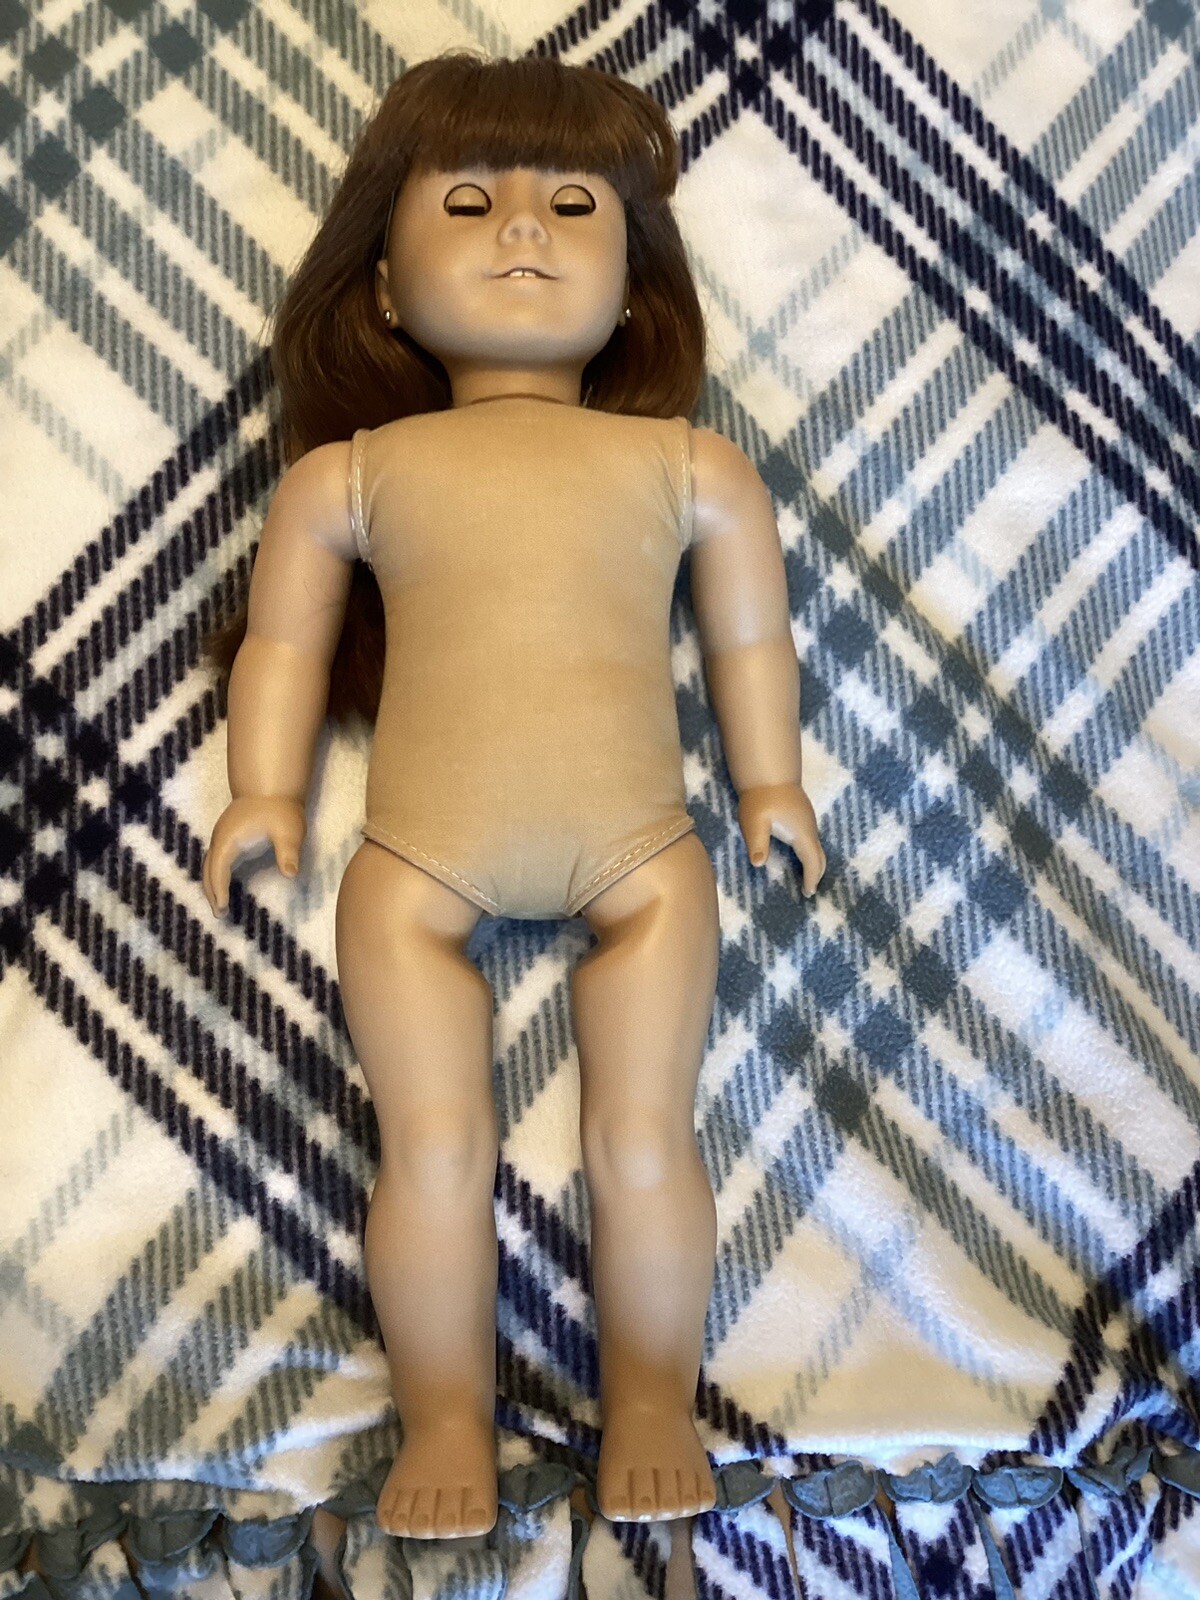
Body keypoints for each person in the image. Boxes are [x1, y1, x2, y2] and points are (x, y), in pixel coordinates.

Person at [201, 49, 825, 1541]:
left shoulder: (692, 467)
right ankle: (443, 1418)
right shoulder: (347, 477)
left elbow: (752, 641)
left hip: (648, 853)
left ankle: (654, 1396)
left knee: (644, 1137)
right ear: (385, 291)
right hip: (415, 859)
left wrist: (773, 779)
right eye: (469, 203)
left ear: (634, 289)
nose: (526, 230)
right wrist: (261, 789)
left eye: (574, 208)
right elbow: (283, 645)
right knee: (429, 1148)